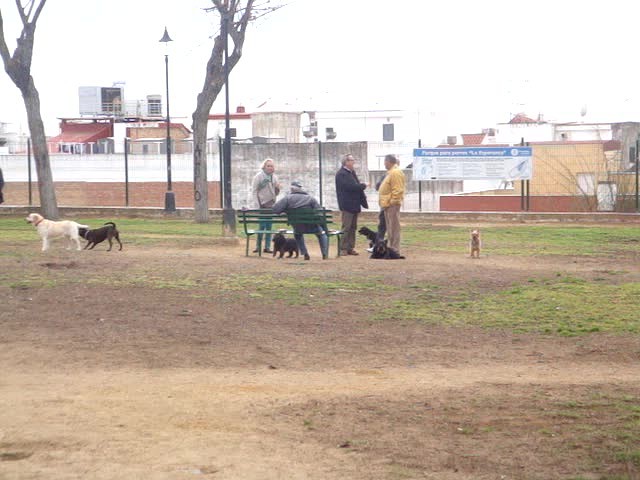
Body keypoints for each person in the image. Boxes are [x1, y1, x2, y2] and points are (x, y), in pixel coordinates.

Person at [272, 181, 328, 261]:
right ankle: (324, 253)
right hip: (313, 227)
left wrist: (285, 210)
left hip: (298, 227)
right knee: (322, 234)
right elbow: (320, 213)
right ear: (301, 189)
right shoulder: (310, 198)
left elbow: (275, 210)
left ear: (292, 190)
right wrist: (324, 228)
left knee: (297, 235)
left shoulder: (287, 199)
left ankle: (305, 253)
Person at [335, 153, 368, 256]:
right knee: (346, 227)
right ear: (346, 162)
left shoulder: (351, 172)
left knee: (353, 227)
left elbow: (355, 186)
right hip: (347, 205)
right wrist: (363, 185)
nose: (353, 162)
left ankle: (350, 247)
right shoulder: (341, 174)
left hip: (354, 205)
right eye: (352, 160)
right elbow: (351, 187)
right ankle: (343, 248)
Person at [251, 158, 281, 253]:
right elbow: (254, 191)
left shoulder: (274, 177)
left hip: (271, 204)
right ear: (264, 166)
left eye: (272, 166)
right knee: (261, 226)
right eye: (268, 166)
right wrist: (257, 205)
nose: (270, 168)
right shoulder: (258, 176)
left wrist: (277, 189)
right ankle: (258, 246)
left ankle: (267, 247)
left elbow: (275, 193)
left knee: (269, 226)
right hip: (262, 204)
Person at [378, 154, 405, 255]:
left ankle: (394, 249)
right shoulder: (390, 172)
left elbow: (397, 189)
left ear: (389, 161)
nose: (384, 163)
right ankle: (390, 247)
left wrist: (392, 202)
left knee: (394, 228)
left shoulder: (395, 172)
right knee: (390, 228)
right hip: (387, 205)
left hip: (392, 205)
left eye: (385, 161)